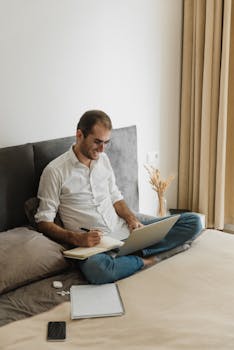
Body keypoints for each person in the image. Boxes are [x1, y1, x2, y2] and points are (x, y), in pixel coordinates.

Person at [35, 110, 202, 284]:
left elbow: (116, 197)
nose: (102, 149)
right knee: (98, 270)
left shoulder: (104, 160)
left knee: (194, 221)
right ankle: (144, 260)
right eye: (97, 142)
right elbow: (43, 221)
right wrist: (76, 238)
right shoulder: (54, 171)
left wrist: (131, 220)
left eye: (106, 143)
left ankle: (130, 254)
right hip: (94, 246)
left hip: (123, 231)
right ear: (79, 135)